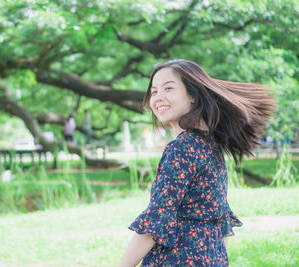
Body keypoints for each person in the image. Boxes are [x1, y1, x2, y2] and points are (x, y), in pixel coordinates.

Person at [118, 59, 275, 267]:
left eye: (169, 88)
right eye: (154, 91)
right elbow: (220, 223)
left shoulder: (182, 148)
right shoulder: (210, 146)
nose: (158, 97)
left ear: (192, 95)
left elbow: (155, 222)